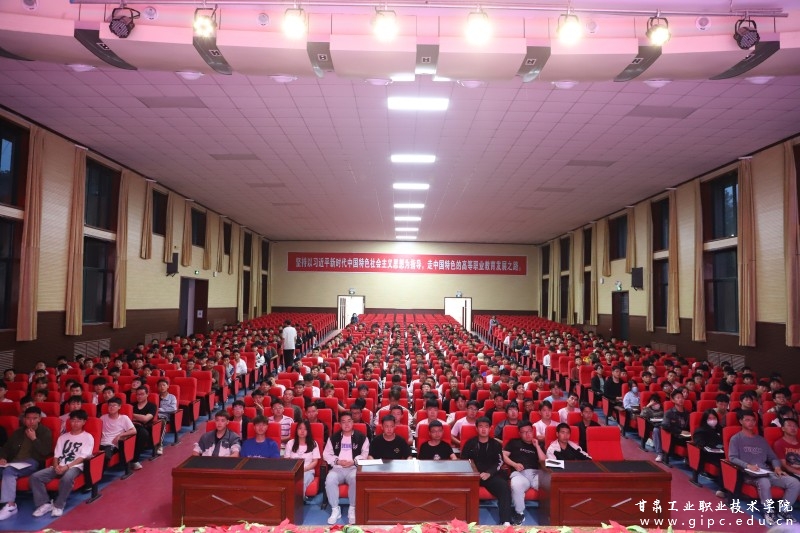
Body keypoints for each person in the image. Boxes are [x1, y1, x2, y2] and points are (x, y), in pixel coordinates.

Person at [729, 410, 800, 525]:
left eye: (753, 420)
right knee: (764, 481)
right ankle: (769, 511)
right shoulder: (736, 439)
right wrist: (748, 465)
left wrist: (777, 468)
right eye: (747, 420)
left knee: (794, 482)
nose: (751, 423)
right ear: (741, 421)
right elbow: (732, 458)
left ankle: (783, 510)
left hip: (766, 472)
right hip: (749, 473)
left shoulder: (761, 440)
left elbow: (773, 457)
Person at [30, 409, 93, 518]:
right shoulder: (63, 437)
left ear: (84, 422)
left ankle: (59, 505)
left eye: (78, 421)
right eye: (73, 420)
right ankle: (44, 504)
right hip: (60, 465)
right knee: (35, 477)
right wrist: (56, 467)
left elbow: (82, 457)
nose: (75, 423)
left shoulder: (88, 437)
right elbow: (56, 455)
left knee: (67, 478)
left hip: (76, 466)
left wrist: (67, 467)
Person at [0, 406, 53, 520]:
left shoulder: (45, 432)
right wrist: (3, 457)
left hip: (32, 462)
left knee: (9, 471)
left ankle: (10, 506)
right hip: (13, 462)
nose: (31, 421)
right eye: (28, 418)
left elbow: (45, 452)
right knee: (5, 469)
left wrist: (34, 438)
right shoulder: (18, 432)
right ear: (24, 419)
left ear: (39, 419)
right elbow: (6, 448)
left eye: (34, 418)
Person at [461, 417, 513, 526]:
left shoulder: (496, 444)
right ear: (476, 428)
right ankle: (463, 519)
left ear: (490, 429)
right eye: (480, 426)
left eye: (486, 427)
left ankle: (505, 521)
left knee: (504, 486)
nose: (483, 429)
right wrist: (475, 473)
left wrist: (489, 473)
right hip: (473, 476)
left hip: (490, 475)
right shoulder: (470, 443)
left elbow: (499, 462)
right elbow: (464, 461)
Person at [323, 411, 369, 525]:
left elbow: (365, 454)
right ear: (340, 424)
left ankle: (352, 508)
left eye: (349, 421)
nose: (347, 424)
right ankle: (335, 509)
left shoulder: (361, 437)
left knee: (355, 479)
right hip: (337, 468)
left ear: (353, 422)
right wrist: (337, 461)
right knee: (330, 479)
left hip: (353, 468)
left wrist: (354, 462)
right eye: (343, 422)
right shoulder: (333, 438)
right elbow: (326, 454)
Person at [502, 420, 545, 526]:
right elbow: (503, 455)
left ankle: (550, 512)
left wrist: (537, 446)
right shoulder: (513, 442)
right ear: (519, 433)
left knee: (548, 485)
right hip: (519, 473)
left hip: (536, 473)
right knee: (516, 484)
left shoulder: (538, 444)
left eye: (529, 431)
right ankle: (519, 513)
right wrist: (514, 464)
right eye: (524, 432)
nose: (527, 434)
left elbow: (544, 461)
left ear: (533, 431)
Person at [690, 409, 726, 497]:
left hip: (722, 452)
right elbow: (699, 443)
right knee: (723, 463)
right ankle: (722, 489)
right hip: (708, 454)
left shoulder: (721, 429)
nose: (712, 420)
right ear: (705, 420)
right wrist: (712, 446)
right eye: (710, 418)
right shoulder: (701, 430)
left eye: (714, 418)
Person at [285, 420, 321, 497]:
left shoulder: (313, 443)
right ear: (296, 430)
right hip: (293, 471)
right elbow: (287, 460)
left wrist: (304, 469)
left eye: (305, 429)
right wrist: (295, 470)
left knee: (301, 483)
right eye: (300, 428)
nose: (302, 431)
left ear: (308, 431)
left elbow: (315, 461)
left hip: (308, 471)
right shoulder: (290, 443)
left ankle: (299, 501)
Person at [99, 397, 137, 466]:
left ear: (119, 407)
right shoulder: (103, 418)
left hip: (112, 444)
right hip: (101, 443)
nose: (111, 407)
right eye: (110, 405)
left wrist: (120, 435)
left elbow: (134, 431)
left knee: (105, 457)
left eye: (114, 405)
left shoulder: (124, 418)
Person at [658, 388, 690, 464]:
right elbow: (665, 425)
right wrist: (680, 431)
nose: (681, 399)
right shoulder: (669, 413)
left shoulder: (687, 413)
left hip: (686, 436)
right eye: (678, 398)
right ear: (673, 400)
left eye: (682, 397)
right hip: (675, 436)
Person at [130, 386, 157, 470]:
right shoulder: (131, 406)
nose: (139, 396)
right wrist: (139, 417)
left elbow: (145, 419)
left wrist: (132, 415)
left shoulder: (152, 406)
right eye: (137, 394)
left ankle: (134, 460)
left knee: (142, 433)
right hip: (130, 425)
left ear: (147, 394)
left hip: (143, 427)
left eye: (141, 394)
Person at [155, 378, 177, 455]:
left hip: (165, 417)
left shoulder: (172, 397)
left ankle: (160, 445)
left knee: (161, 422)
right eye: (160, 385)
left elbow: (173, 408)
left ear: (168, 386)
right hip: (154, 416)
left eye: (164, 385)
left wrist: (159, 410)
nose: (162, 387)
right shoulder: (156, 397)